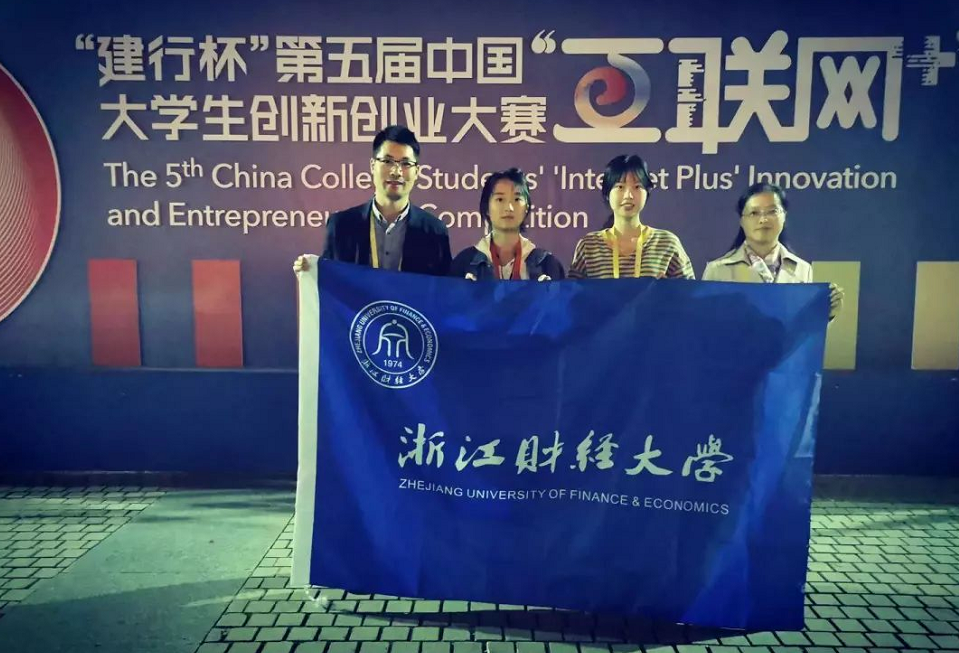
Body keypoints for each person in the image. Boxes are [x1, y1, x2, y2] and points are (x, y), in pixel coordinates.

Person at [293, 125, 451, 276]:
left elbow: (444, 289)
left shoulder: (435, 232)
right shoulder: (341, 227)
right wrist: (310, 273)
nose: (396, 172)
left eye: (405, 164)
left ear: (416, 172)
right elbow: (329, 282)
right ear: (372, 166)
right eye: (388, 161)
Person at [702, 182, 843, 319]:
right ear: (742, 221)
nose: (763, 219)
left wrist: (827, 313)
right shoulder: (717, 270)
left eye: (772, 211)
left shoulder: (803, 269)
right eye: (754, 213)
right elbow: (705, 326)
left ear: (784, 216)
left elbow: (803, 328)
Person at [569, 155, 694, 280]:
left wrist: (670, 289)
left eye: (637, 187)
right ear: (607, 193)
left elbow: (689, 291)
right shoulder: (589, 246)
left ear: (647, 192)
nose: (628, 195)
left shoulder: (667, 244)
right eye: (620, 187)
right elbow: (570, 290)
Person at [450, 168, 565, 281]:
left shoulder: (547, 266)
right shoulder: (464, 265)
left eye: (517, 199)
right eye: (500, 199)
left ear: (527, 207)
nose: (509, 208)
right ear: (487, 208)